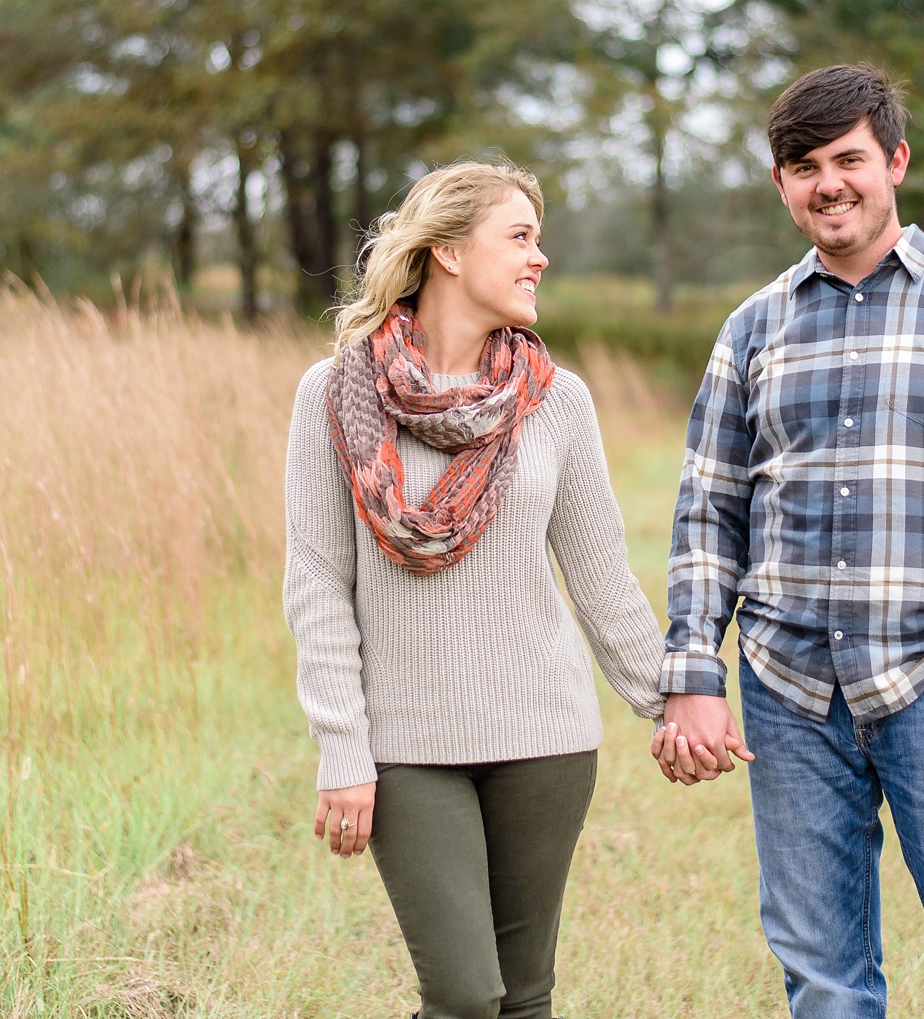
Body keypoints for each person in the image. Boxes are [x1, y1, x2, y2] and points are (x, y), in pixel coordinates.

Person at [652, 64, 924, 1019]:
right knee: (823, 983)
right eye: (803, 166)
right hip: (790, 690)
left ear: (894, 160)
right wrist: (695, 668)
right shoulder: (753, 328)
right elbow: (708, 512)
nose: (828, 184)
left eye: (848, 158)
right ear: (781, 184)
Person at [283, 159, 667, 1019]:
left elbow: (601, 574)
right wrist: (342, 749)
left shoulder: (556, 401)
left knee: (525, 997)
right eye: (521, 236)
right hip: (408, 743)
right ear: (449, 250)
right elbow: (317, 585)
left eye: (540, 240)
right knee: (463, 994)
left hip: (545, 734)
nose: (539, 258)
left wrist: (671, 701)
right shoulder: (335, 394)